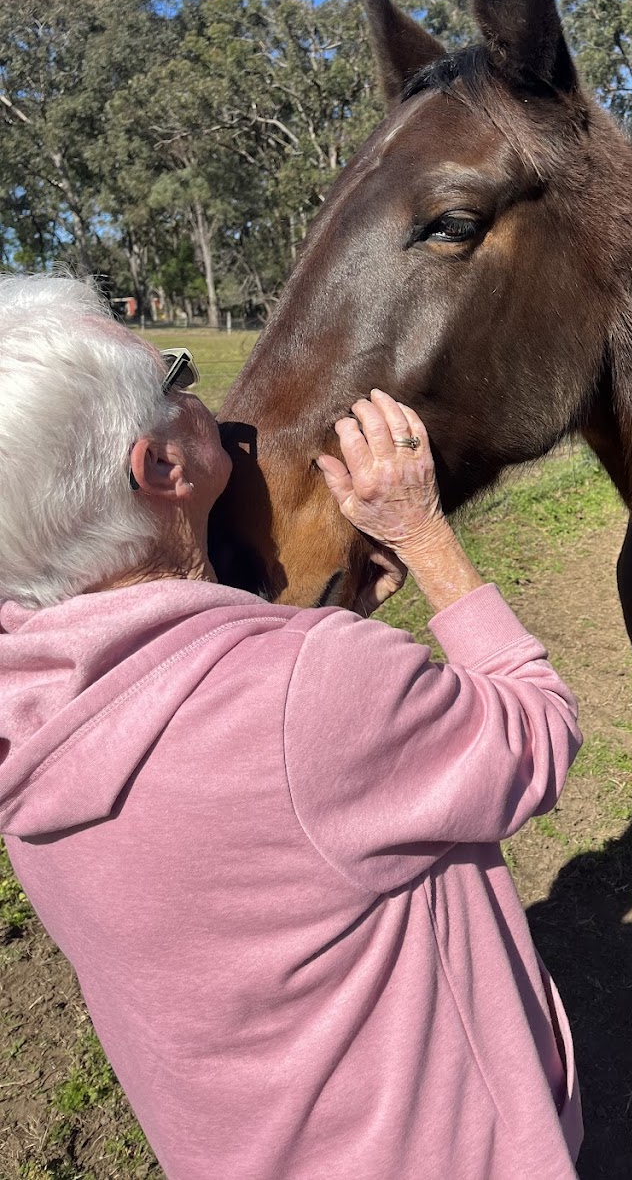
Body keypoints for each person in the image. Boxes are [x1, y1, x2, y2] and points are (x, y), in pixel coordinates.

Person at [0, 274, 583, 1180]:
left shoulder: (23, 713)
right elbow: (538, 733)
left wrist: (338, 647)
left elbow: (268, 794)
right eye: (178, 382)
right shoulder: (304, 695)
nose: (206, 399)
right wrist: (425, 535)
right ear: (162, 467)